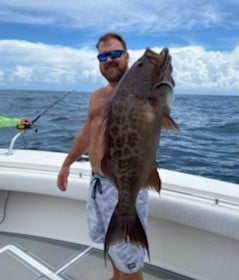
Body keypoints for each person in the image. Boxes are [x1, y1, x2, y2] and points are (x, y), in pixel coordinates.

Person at [57, 32, 148, 280]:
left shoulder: (142, 93)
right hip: (97, 185)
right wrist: (66, 164)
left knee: (130, 262)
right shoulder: (96, 96)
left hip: (125, 188)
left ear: (128, 56)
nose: (109, 59)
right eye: (103, 56)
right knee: (111, 246)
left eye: (116, 54)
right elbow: (86, 135)